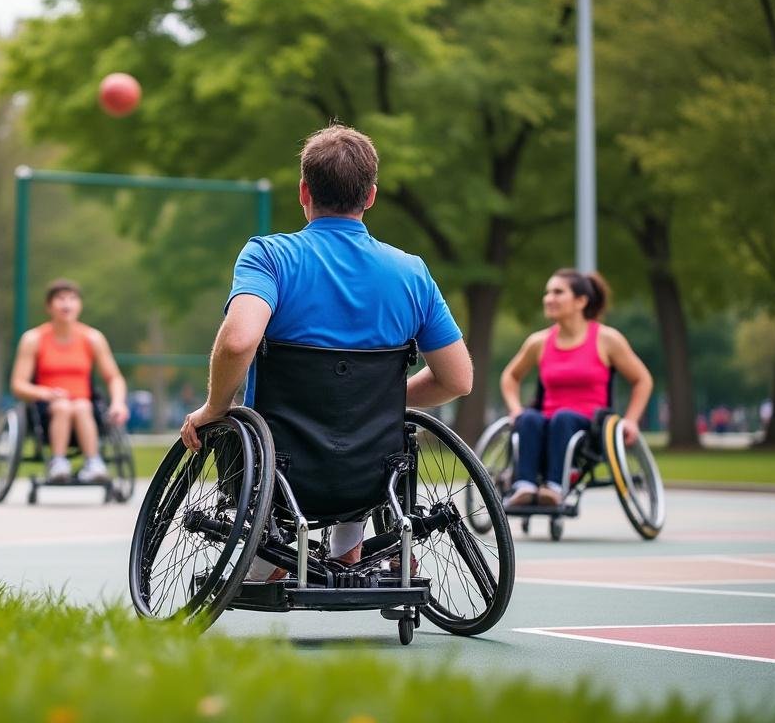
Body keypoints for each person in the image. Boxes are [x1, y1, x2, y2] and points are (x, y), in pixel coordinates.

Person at [180, 125, 473, 579]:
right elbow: (458, 380)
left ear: (303, 191)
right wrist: (380, 401)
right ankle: (348, 544)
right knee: (364, 429)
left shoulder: (270, 257)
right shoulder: (412, 272)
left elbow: (238, 340)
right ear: (371, 196)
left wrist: (214, 408)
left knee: (240, 425)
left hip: (281, 469)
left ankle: (271, 553)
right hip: (369, 472)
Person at [498, 269, 653, 507]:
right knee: (528, 418)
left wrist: (631, 420)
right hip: (548, 422)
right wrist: (515, 408)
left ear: (581, 301)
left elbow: (642, 380)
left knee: (563, 418)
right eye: (547, 292)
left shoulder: (606, 339)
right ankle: (525, 486)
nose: (548, 298)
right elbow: (510, 376)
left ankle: (555, 487)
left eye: (558, 292)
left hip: (589, 426)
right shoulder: (538, 342)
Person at [10, 278, 129, 483]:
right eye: (60, 299)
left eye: (72, 299)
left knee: (82, 405)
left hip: (84, 408)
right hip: (47, 410)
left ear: (79, 305)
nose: (67, 304)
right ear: (49, 306)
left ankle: (93, 463)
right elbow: (18, 384)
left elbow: (114, 377)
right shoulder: (34, 339)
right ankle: (57, 462)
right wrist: (44, 393)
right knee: (63, 406)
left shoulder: (92, 338)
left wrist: (118, 403)